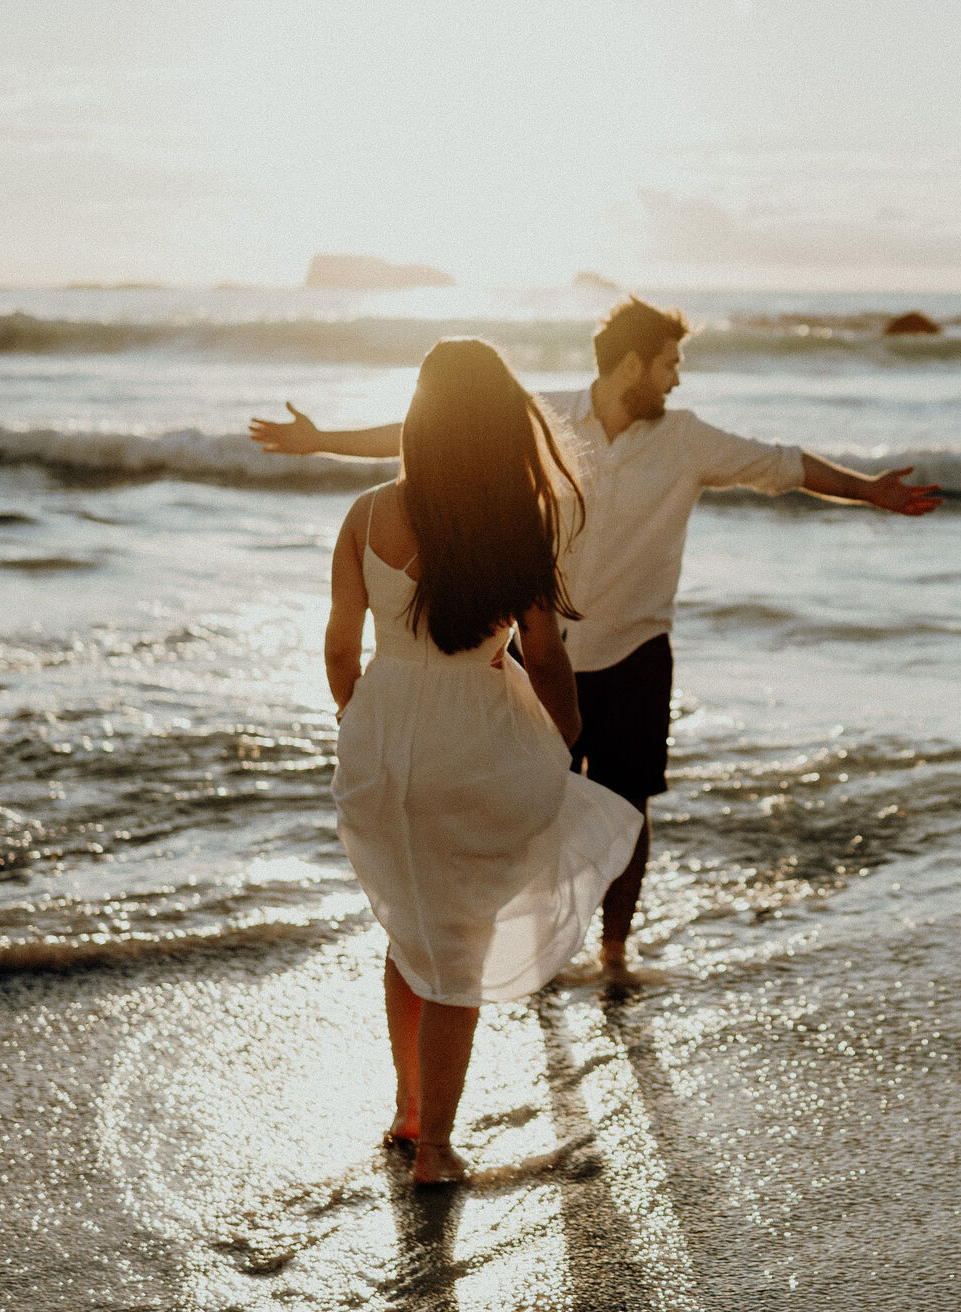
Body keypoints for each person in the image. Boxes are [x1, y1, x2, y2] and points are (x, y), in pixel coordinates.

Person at [259, 297, 941, 981]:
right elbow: (439, 431)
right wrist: (323, 441)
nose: (676, 378)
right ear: (632, 365)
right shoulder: (546, 415)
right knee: (530, 806)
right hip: (539, 653)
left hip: (635, 649)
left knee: (627, 806)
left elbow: (783, 465)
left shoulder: (688, 439)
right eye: (669, 364)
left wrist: (866, 491)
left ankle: (614, 953)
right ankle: (533, 952)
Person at [326, 337, 641, 1185]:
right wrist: (564, 741)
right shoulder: (514, 521)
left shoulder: (365, 513)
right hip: (474, 742)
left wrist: (360, 720)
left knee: (411, 930)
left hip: (382, 743)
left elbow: (339, 650)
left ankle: (408, 1111)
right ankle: (434, 1151)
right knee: (456, 945)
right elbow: (546, 657)